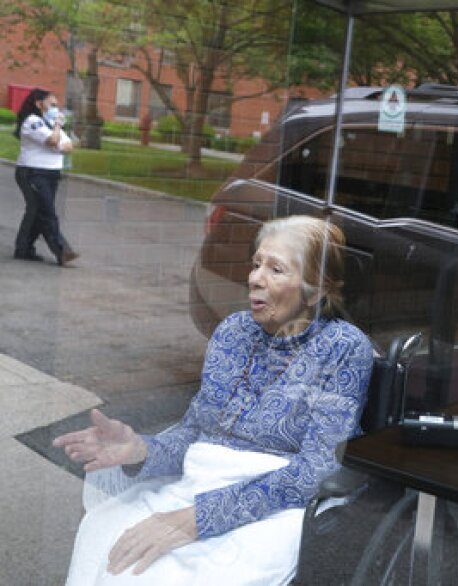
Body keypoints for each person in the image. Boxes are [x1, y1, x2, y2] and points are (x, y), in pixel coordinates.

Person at [53, 215, 374, 585]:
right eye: (256, 264)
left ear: (317, 290)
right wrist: (140, 449)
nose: (255, 278)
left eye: (276, 269)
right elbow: (194, 433)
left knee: (166, 573)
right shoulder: (233, 333)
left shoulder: (343, 347)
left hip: (281, 504)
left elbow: (319, 468)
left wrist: (199, 518)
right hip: (201, 481)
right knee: (106, 532)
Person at [13, 88, 79, 265]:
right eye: (52, 105)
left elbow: (68, 146)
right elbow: (53, 141)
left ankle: (23, 248)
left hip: (51, 174)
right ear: (38, 103)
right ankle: (62, 251)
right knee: (46, 212)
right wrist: (57, 130)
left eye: (57, 106)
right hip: (33, 172)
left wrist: (56, 137)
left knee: (36, 211)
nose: (56, 110)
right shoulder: (32, 121)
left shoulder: (49, 124)